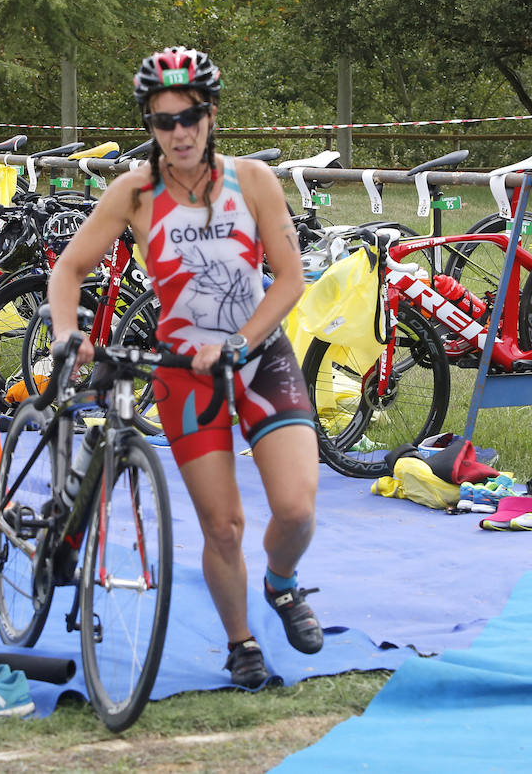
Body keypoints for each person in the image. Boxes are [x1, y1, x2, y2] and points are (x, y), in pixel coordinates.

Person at [47, 47, 322, 689]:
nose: (179, 133)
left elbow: (289, 279)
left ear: (211, 114)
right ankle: (241, 642)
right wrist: (67, 333)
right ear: (149, 124)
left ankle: (281, 584)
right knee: (223, 526)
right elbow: (68, 269)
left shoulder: (252, 181)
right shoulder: (134, 193)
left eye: (190, 117)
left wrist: (240, 342)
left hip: (259, 357)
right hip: (182, 368)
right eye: (163, 121)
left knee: (296, 507)